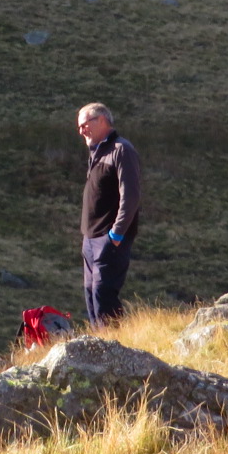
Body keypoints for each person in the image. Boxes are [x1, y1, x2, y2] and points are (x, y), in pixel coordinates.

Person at [76, 102, 141, 326]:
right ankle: (100, 350)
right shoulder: (97, 151)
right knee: (91, 296)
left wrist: (116, 235)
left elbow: (130, 197)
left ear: (102, 120)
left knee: (104, 296)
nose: (81, 130)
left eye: (85, 124)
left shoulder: (121, 150)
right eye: (79, 127)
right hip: (90, 238)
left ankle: (116, 352)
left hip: (109, 238)